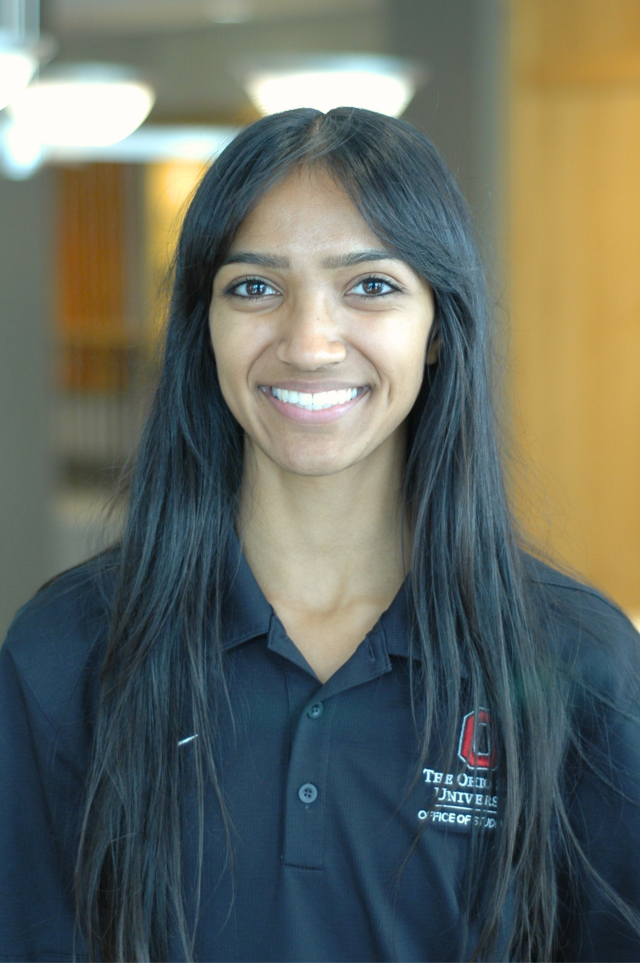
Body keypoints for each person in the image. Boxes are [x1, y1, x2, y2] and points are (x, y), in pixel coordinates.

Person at [1, 107, 640, 963]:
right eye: (255, 287)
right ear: (205, 331)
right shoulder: (66, 651)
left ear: (439, 327)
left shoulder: (578, 660)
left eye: (370, 285)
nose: (308, 342)